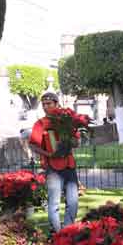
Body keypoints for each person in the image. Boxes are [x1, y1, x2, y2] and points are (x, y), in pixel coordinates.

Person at [28, 92, 80, 234]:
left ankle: (67, 231)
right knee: (54, 203)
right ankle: (57, 233)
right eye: (43, 104)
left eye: (49, 104)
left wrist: (70, 140)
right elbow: (32, 145)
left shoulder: (67, 121)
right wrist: (48, 154)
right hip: (52, 168)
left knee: (73, 202)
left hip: (69, 165)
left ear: (57, 104)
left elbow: (77, 143)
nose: (45, 107)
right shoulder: (40, 123)